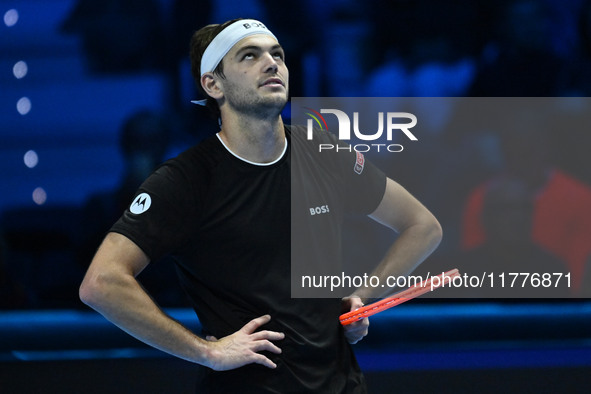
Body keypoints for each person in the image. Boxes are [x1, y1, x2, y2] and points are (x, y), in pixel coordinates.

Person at [79, 18, 442, 393]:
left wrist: (363, 297)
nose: (272, 64)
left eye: (277, 55)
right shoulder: (186, 179)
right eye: (249, 56)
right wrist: (207, 351)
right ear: (213, 84)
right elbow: (101, 283)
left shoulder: (325, 151)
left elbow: (423, 226)